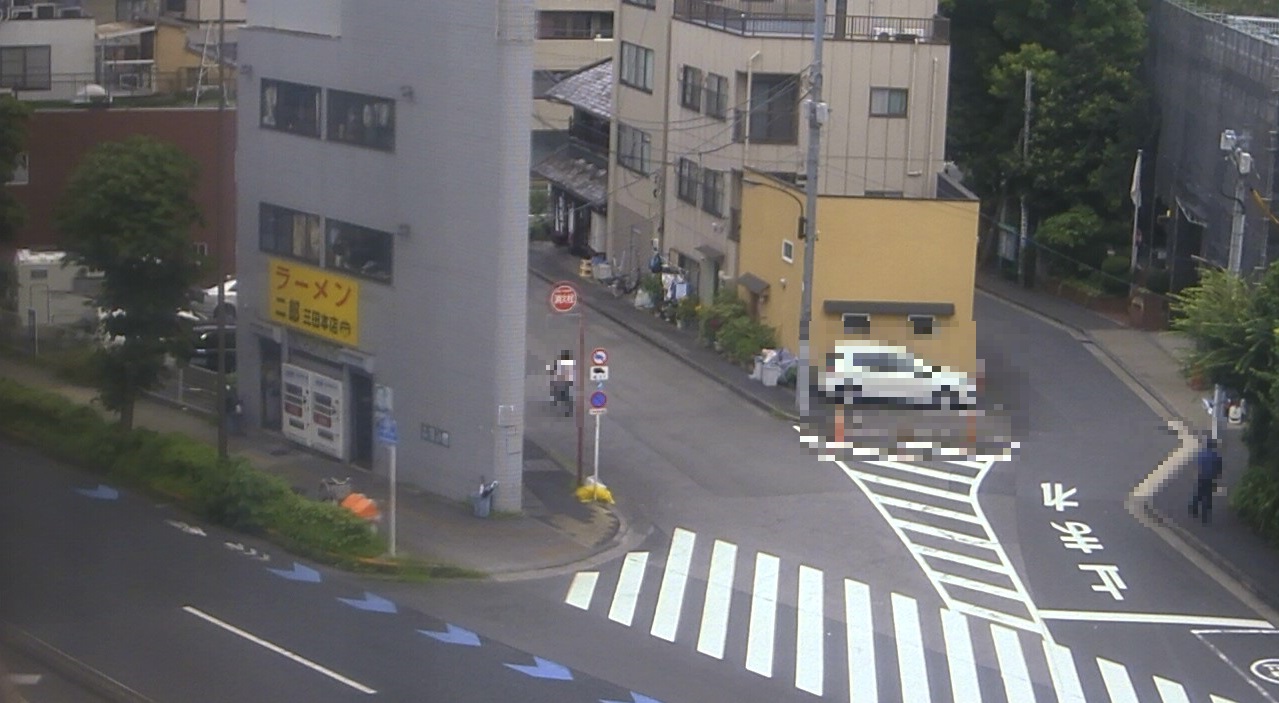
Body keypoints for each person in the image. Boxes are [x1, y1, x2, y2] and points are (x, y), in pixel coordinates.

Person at [1189, 435, 1223, 524]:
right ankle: (1206, 513)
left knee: (1199, 493)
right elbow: (1219, 467)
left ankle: (1194, 508)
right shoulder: (1216, 456)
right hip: (1210, 478)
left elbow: (1198, 465)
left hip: (1201, 476)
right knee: (1208, 495)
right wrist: (1218, 475)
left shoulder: (1201, 454)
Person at [550, 350, 575, 417]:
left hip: (560, 381)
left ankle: (559, 407)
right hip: (566, 382)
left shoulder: (560, 363)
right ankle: (568, 410)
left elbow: (554, 372)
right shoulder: (570, 363)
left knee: (560, 395)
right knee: (565, 396)